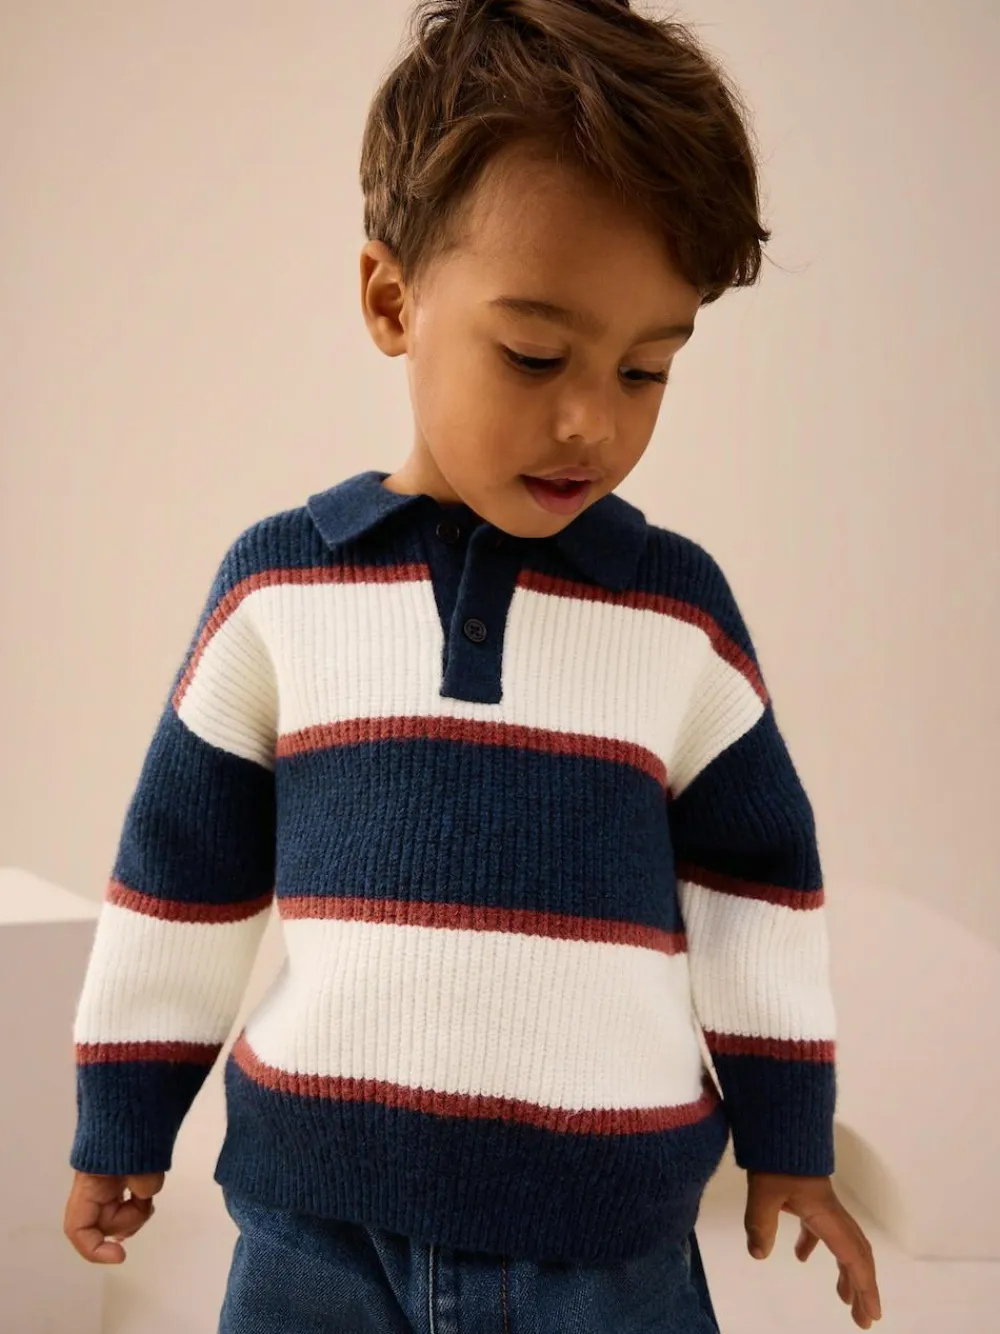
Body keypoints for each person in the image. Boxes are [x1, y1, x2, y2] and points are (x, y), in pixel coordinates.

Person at [63, 1, 883, 1330]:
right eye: (536, 354)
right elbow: (181, 877)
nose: (591, 420)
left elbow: (758, 890)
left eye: (647, 369)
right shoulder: (279, 592)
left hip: (607, 1249)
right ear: (392, 300)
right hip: (315, 1229)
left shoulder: (678, 617)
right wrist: (123, 1117)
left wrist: (792, 1137)